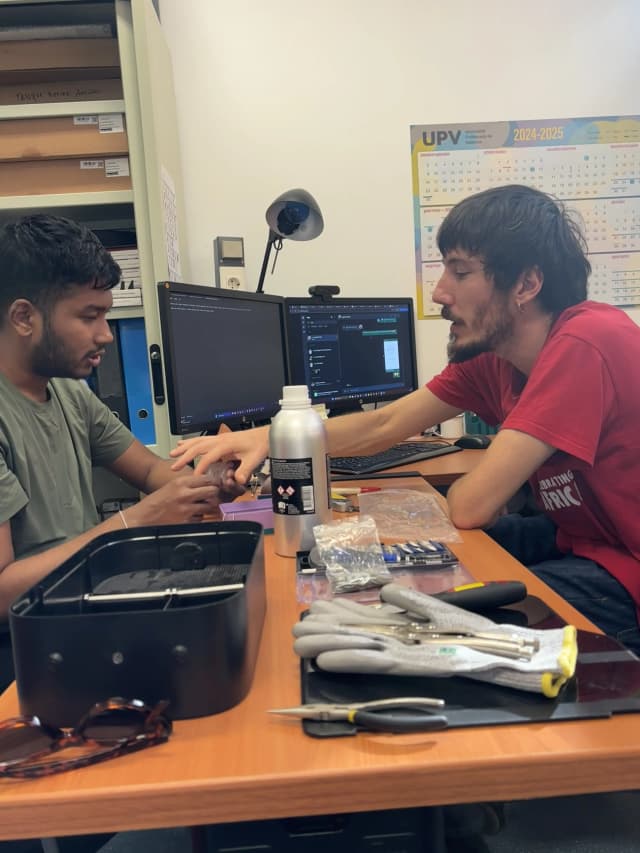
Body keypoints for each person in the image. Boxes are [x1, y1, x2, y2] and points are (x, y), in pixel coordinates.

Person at [170, 183, 640, 655]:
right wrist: (268, 438)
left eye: (460, 272)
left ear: (526, 285)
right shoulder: (494, 359)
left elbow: (470, 506)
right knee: (420, 575)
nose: (439, 292)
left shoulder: (585, 341)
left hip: (626, 564)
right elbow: (383, 425)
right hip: (586, 540)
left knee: (443, 625)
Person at [0, 214, 241, 689]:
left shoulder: (69, 392)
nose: (106, 334)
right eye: (89, 316)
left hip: (86, 609)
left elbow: (151, 470)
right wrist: (135, 522)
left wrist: (207, 484)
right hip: (25, 648)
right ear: (24, 317)